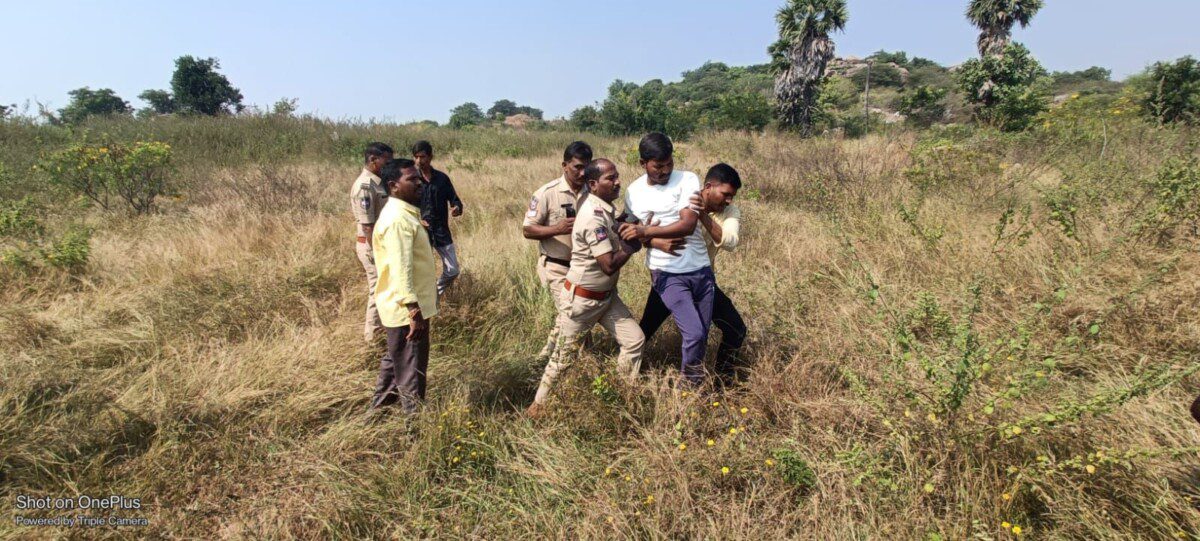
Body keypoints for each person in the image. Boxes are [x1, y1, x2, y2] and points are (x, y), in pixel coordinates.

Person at [529, 158, 645, 415]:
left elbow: (624, 223)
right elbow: (608, 265)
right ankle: (536, 409)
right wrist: (630, 246)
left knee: (634, 340)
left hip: (605, 298)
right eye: (610, 179)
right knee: (562, 360)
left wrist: (643, 228)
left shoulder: (605, 207)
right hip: (583, 301)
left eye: (617, 176)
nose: (617, 182)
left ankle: (619, 397)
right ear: (593, 184)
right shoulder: (593, 216)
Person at [619, 132, 715, 386]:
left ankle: (693, 386)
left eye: (669, 164)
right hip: (666, 273)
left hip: (701, 270)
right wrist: (650, 240)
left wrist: (647, 231)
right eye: (658, 166)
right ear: (643, 164)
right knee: (693, 332)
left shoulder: (687, 179)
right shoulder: (634, 192)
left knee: (701, 334)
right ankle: (689, 388)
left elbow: (686, 225)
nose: (665, 171)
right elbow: (625, 227)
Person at [640, 163, 746, 385]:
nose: (729, 200)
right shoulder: (680, 200)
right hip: (670, 279)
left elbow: (730, 242)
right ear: (708, 187)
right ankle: (631, 375)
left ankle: (721, 381)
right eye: (725, 194)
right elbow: (645, 231)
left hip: (702, 282)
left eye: (732, 196)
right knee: (643, 333)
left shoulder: (728, 212)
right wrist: (656, 242)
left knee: (735, 329)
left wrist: (701, 216)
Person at [370, 158, 439, 414]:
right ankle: (415, 430)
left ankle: (375, 415)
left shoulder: (404, 214)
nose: (419, 183)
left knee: (394, 362)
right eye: (412, 179)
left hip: (400, 308)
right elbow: (401, 270)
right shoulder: (398, 220)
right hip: (406, 311)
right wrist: (413, 311)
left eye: (419, 178)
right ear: (393, 186)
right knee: (412, 372)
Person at [522, 141, 593, 363]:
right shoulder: (546, 193)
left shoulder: (593, 192)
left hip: (585, 268)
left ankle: (552, 359)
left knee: (576, 315)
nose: (582, 173)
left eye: (586, 168)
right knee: (573, 314)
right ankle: (554, 362)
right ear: (564, 165)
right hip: (556, 266)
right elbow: (527, 229)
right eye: (577, 167)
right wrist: (556, 229)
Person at [349, 142, 394, 343]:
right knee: (377, 291)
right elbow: (368, 226)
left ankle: (384, 333)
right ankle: (372, 340)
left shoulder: (379, 181)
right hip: (371, 245)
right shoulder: (365, 186)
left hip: (381, 243)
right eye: (386, 160)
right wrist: (379, 251)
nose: (389, 164)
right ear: (373, 159)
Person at [412, 140, 463, 295]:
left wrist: (456, 208)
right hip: (419, 232)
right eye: (416, 157)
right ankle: (424, 302)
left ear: (431, 157)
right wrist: (417, 221)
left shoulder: (442, 179)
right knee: (421, 271)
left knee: (453, 270)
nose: (420, 161)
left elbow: (455, 200)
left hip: (441, 230)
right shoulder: (411, 180)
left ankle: (435, 294)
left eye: (423, 156)